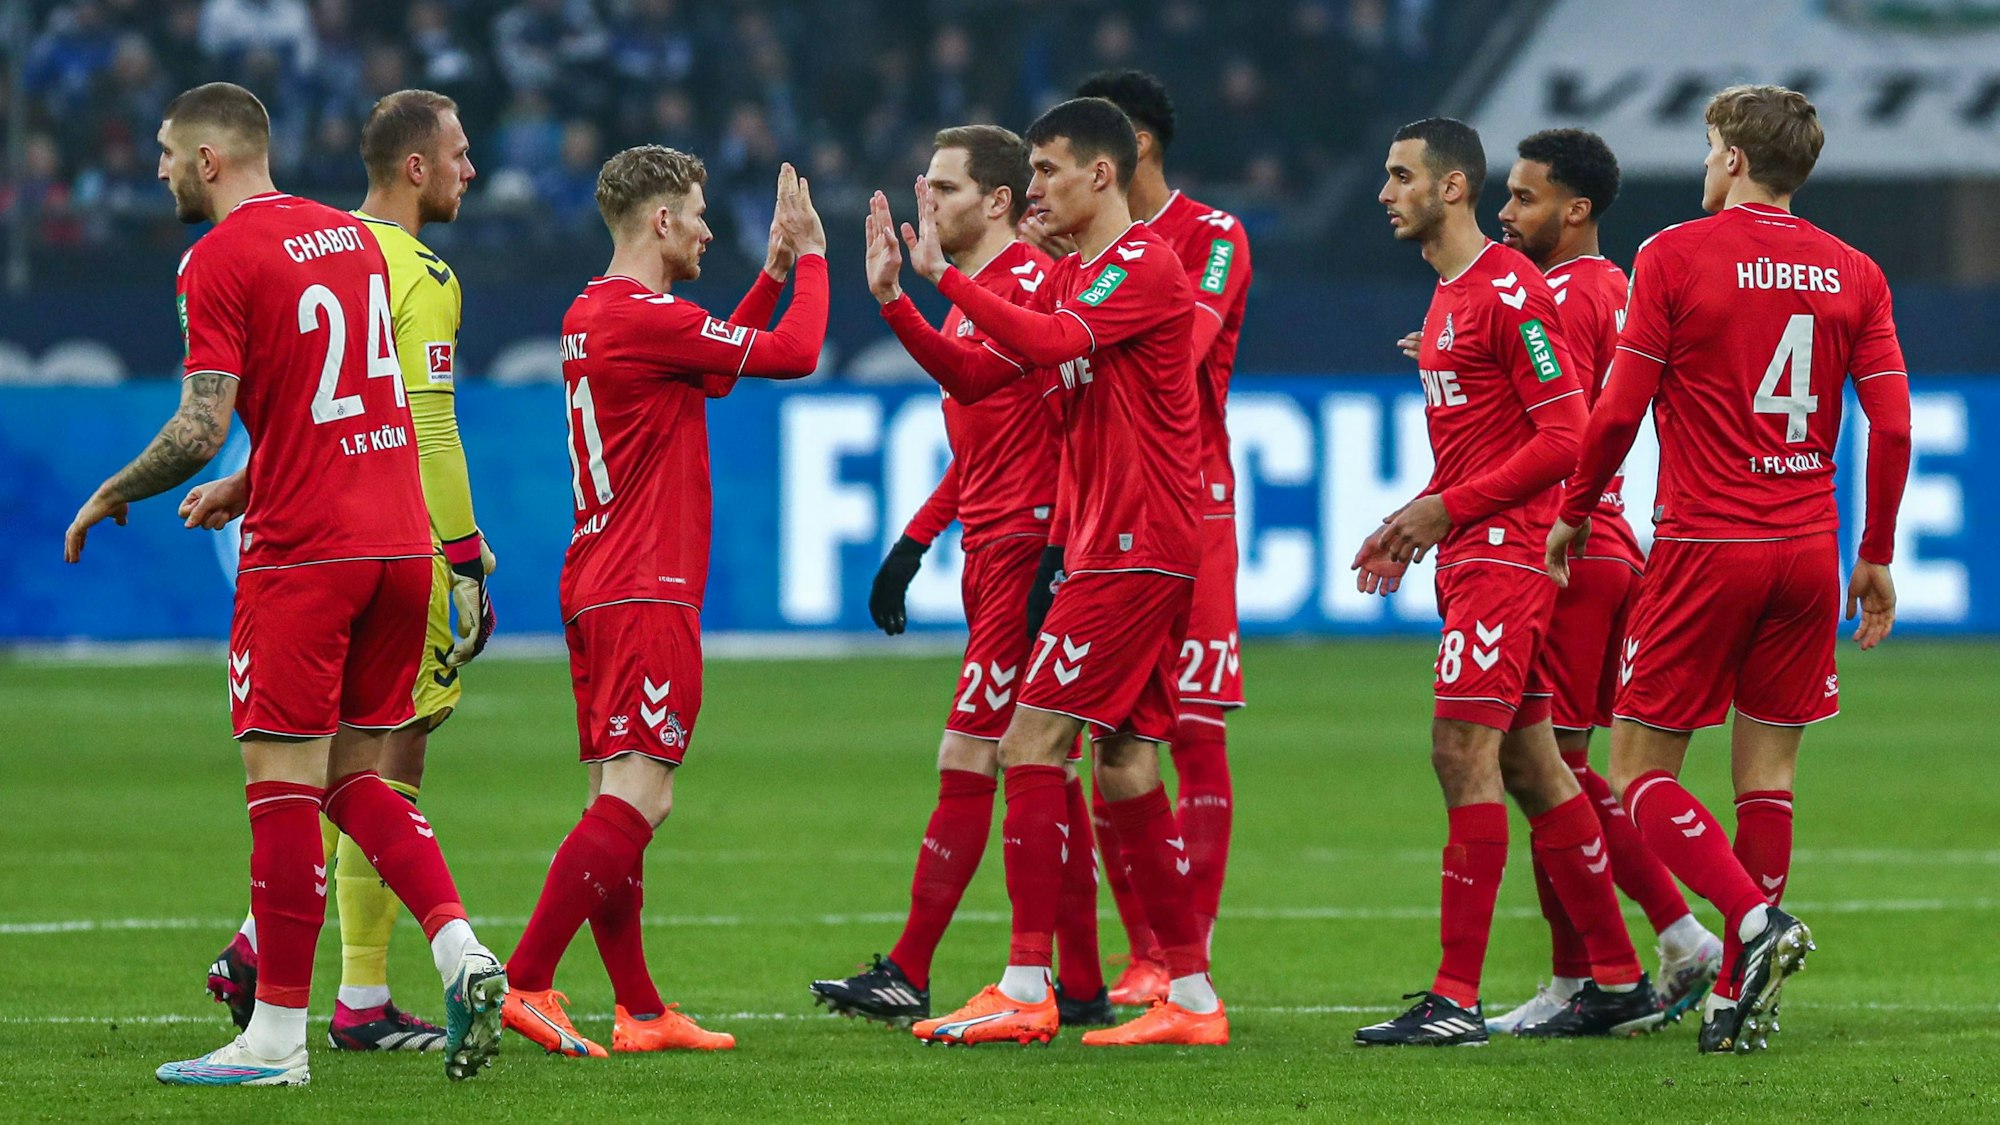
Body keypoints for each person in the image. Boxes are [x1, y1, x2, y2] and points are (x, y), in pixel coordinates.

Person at [66, 81, 506, 1087]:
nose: (163, 169)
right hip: (402, 549)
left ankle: (274, 1039)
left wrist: (112, 491)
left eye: (170, 153)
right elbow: (356, 400)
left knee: (281, 789)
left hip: (307, 556)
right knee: (358, 778)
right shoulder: (350, 243)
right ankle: (461, 952)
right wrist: (248, 479)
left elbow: (195, 423)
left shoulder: (217, 256)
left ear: (212, 159)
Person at [1547, 85, 1912, 1054]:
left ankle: (1750, 924)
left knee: (1633, 769)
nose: (1707, 163)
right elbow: (1893, 422)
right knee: (1768, 773)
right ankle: (1736, 1000)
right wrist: (1872, 553)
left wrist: (1575, 510)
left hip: (1707, 543)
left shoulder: (1671, 254)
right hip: (1807, 549)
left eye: (1710, 148)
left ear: (1734, 160)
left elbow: (1618, 411)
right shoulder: (1854, 272)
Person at [880, 97, 1225, 1048]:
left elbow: (1051, 346)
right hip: (1112, 543)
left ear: (1100, 176)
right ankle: (1191, 997)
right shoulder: (1078, 274)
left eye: (1046, 170)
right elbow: (984, 375)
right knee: (1121, 762)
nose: (1032, 190)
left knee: (1030, 745)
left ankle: (1027, 981)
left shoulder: (1145, 265)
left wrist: (946, 275)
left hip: (1131, 547)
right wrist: (898, 302)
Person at [498, 148, 829, 1057]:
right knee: (639, 798)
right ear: (661, 224)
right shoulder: (647, 317)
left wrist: (767, 277)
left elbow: (713, 368)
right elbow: (797, 355)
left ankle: (640, 1008)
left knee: (618, 789)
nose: (709, 230)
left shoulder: (595, 311)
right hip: (647, 583)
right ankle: (525, 979)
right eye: (698, 214)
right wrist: (813, 258)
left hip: (601, 578)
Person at [185, 86, 494, 1055]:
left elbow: (318, 408)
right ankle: (355, 993)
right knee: (379, 765)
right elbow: (421, 422)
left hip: (309, 520)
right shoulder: (412, 268)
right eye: (458, 154)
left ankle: (268, 955)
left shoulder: (308, 240)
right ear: (417, 166)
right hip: (393, 539)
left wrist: (249, 475)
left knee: (311, 763)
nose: (471, 171)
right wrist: (467, 557)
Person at [1351, 117, 1664, 1047]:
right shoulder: (1452, 299)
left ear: (1452, 188)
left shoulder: (1511, 293)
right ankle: (1616, 975)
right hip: (1471, 552)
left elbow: (1566, 437)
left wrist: (1444, 512)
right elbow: (1485, 445)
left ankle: (1454, 997)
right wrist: (1414, 518)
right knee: (1532, 764)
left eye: (1400, 175)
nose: (1384, 192)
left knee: (1462, 754)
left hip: (1508, 557)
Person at [809, 125, 1111, 1029]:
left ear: (998, 201)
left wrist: (899, 301)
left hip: (1027, 546)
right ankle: (1086, 979)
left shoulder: (1027, 286)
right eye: (924, 184)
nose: (925, 201)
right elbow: (983, 443)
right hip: (991, 543)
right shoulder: (981, 291)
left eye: (943, 186)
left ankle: (917, 965)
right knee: (1045, 765)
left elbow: (1008, 403)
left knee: (973, 753)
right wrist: (916, 539)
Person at [1473, 128, 1723, 1032]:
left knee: (1551, 768)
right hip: (1620, 549)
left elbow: (1562, 430)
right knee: (1563, 765)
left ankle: (1650, 947)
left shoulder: (1556, 297)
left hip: (1569, 551)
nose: (1505, 213)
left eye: (1525, 197)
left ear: (1575, 210)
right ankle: (1603, 966)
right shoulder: (1618, 287)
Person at [1074, 68, 1253, 1004]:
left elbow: (1176, 354)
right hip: (1099, 506)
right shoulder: (1077, 248)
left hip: (1192, 499)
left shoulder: (1212, 237)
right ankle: (1149, 952)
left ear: (1130, 147)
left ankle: (1193, 950)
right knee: (1107, 728)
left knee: (1194, 722)